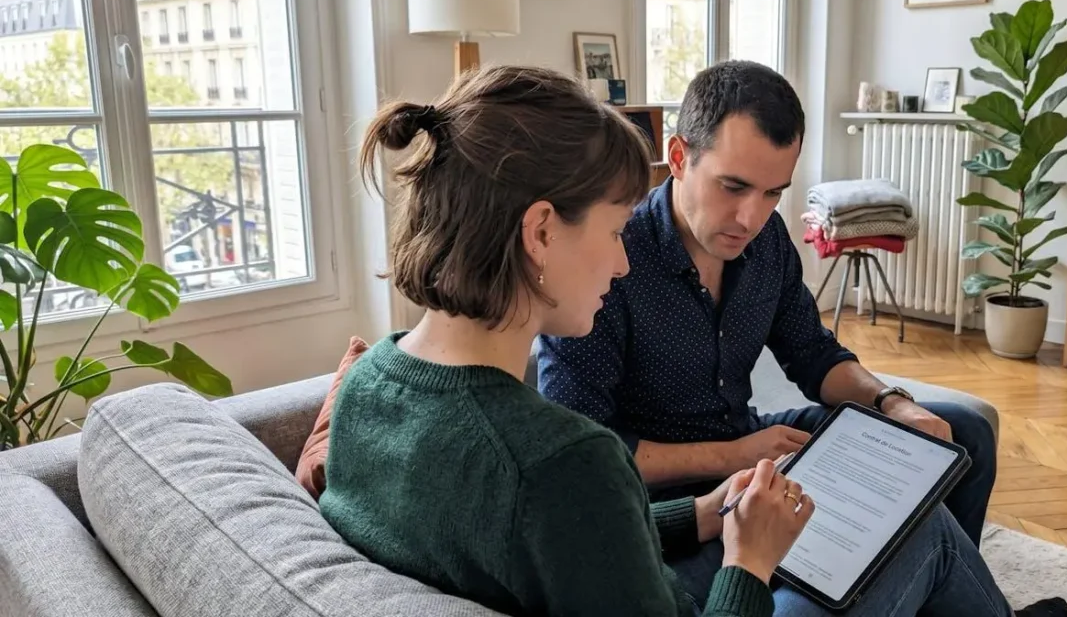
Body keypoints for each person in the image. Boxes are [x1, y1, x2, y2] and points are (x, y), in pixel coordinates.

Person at [320, 64, 1023, 617]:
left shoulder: (368, 384)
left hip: (712, 481)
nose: (620, 258)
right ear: (540, 232)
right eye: (610, 229)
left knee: (946, 443)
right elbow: (583, 504)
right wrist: (747, 561)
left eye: (773, 194)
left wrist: (705, 516)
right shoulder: (566, 461)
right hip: (695, 516)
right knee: (918, 535)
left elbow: (574, 539)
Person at [536, 60, 1067, 616]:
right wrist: (731, 454)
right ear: (679, 157)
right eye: (734, 186)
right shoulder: (608, 262)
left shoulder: (765, 241)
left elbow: (814, 354)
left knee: (960, 434)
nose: (751, 216)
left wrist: (893, 403)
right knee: (898, 543)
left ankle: (924, 593)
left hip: (755, 448)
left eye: (773, 192)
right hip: (679, 505)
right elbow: (591, 454)